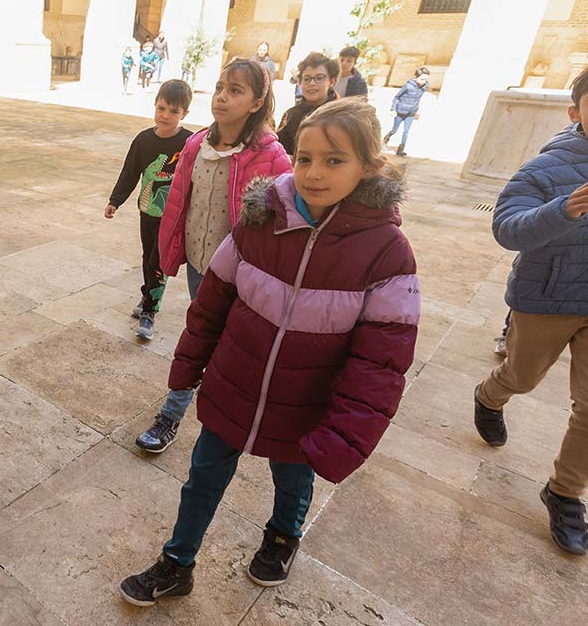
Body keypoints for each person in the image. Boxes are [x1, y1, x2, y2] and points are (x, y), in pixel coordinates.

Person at [119, 98, 419, 606]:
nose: (314, 172)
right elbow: (212, 300)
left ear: (368, 167)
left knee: (293, 477)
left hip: (305, 402)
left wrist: (345, 432)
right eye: (304, 157)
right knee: (202, 478)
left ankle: (283, 536)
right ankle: (178, 560)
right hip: (233, 384)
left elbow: (381, 360)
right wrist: (190, 364)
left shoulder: (387, 251)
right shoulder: (259, 221)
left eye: (334, 160)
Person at [472, 50, 588, 556]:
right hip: (549, 300)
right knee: (523, 376)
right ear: (576, 111)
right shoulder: (551, 166)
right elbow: (507, 227)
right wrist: (561, 210)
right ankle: (491, 395)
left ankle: (565, 492)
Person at [137, 57, 292, 453]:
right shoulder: (195, 145)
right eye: (221, 87)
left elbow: (281, 225)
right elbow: (178, 203)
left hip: (240, 275)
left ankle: (192, 414)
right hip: (198, 263)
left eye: (235, 91)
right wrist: (167, 252)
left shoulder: (272, 157)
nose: (222, 97)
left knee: (219, 344)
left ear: (257, 102)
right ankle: (176, 416)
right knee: (202, 338)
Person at [105, 80, 194, 339]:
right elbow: (130, 173)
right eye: (162, 108)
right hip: (148, 211)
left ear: (184, 114)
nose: (166, 115)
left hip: (173, 216)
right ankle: (148, 297)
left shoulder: (189, 143)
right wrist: (115, 200)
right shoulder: (143, 141)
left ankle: (149, 311)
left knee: (159, 261)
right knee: (148, 257)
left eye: (174, 111)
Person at [277, 52, 340, 157]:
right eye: (306, 79)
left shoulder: (341, 115)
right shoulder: (291, 115)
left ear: (332, 81)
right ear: (300, 83)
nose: (312, 83)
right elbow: (279, 152)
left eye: (319, 78)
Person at [384, 67, 430, 157]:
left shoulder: (424, 87)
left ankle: (400, 150)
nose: (424, 81)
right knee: (395, 130)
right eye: (422, 79)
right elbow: (396, 97)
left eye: (426, 79)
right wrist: (393, 109)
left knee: (406, 132)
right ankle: (385, 139)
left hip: (411, 113)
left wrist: (416, 111)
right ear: (415, 77)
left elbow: (417, 99)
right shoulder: (408, 86)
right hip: (400, 112)